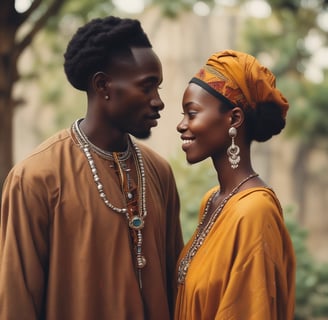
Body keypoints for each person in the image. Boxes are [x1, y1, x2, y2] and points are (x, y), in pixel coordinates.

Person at [0, 16, 183, 320]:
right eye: (147, 87)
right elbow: (17, 301)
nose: (159, 102)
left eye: (158, 87)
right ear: (102, 85)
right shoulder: (35, 178)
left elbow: (176, 288)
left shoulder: (159, 172)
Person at [175, 50, 296, 319]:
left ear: (234, 119)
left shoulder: (254, 211)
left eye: (192, 113)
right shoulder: (212, 201)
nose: (181, 125)